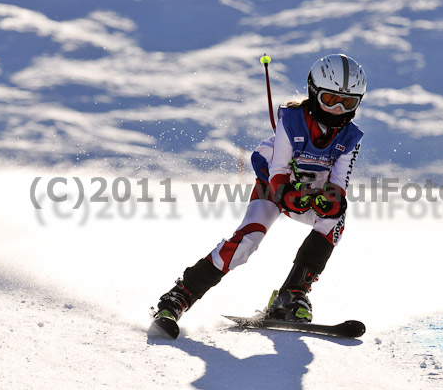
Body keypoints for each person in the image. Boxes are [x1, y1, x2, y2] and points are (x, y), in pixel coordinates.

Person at [155, 53, 366, 324]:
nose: (337, 110)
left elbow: (339, 184)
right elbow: (278, 171)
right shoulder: (291, 121)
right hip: (273, 190)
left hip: (309, 195)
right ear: (314, 93)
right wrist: (289, 194)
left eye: (347, 103)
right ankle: (180, 295)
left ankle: (293, 295)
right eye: (330, 100)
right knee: (246, 243)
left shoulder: (351, 137)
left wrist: (330, 200)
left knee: (336, 219)